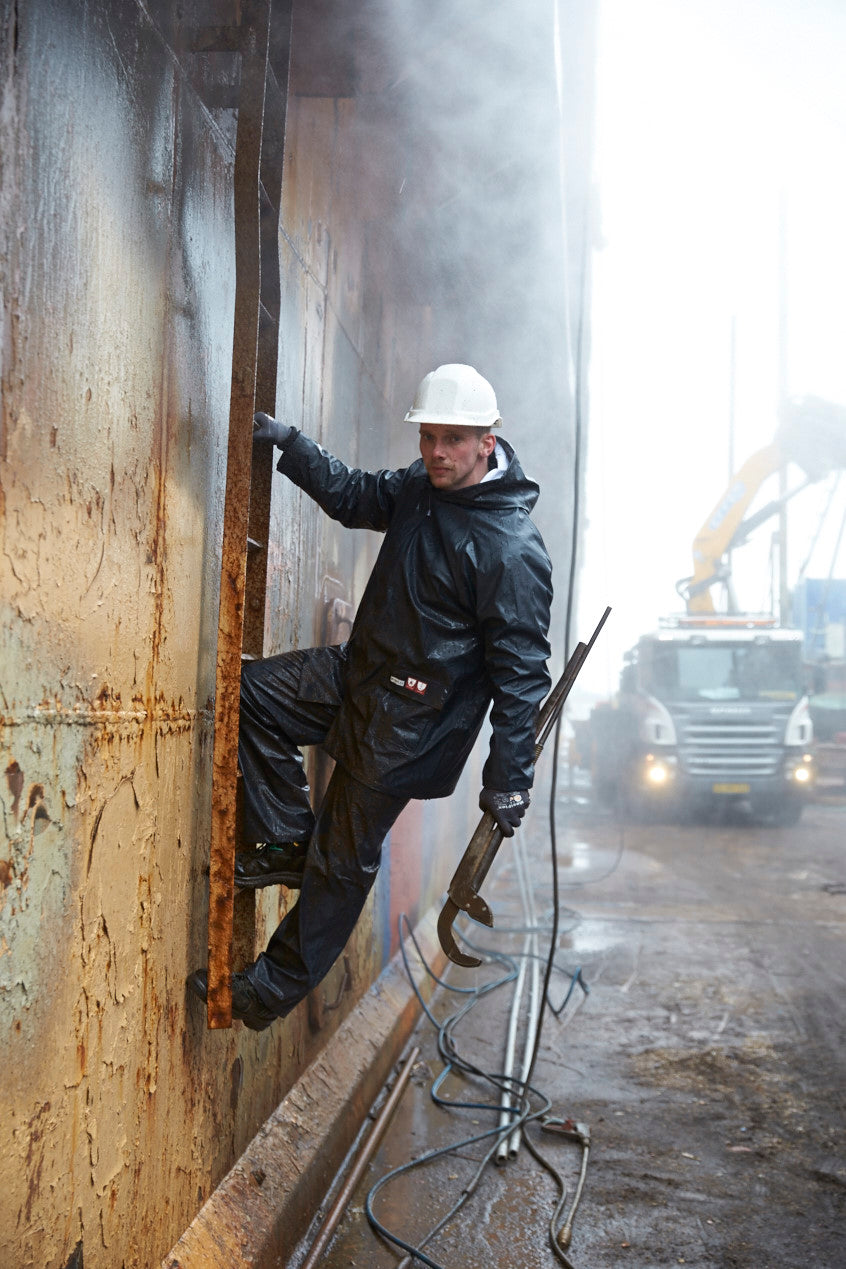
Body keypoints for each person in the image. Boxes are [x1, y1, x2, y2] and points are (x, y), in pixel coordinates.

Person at [188, 364, 553, 1030]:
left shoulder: (511, 550)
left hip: (410, 726)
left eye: (453, 439)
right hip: (357, 676)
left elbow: (522, 677)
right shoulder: (422, 486)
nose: (437, 452)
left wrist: (509, 783)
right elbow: (355, 495)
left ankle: (262, 992)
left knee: (341, 862)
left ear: (487, 442)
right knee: (249, 696)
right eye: (429, 437)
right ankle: (284, 843)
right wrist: (290, 443)